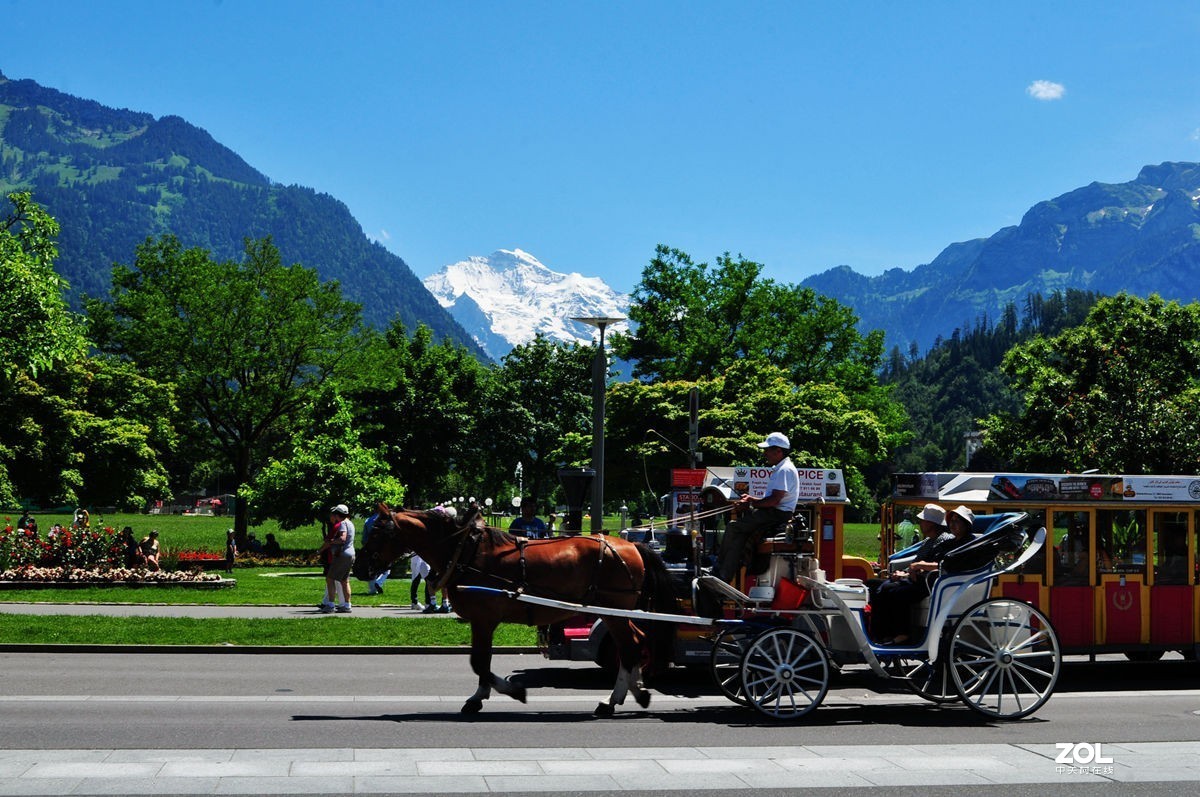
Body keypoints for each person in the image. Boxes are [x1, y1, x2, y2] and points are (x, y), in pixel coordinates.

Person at [870, 504, 975, 645]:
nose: (953, 524)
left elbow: (944, 565)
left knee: (892, 590)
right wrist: (907, 571)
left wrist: (916, 568)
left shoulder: (963, 544)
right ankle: (880, 635)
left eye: (957, 521)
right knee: (877, 586)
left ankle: (898, 634)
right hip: (924, 578)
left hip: (936, 583)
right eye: (952, 521)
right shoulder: (948, 542)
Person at [715, 432, 800, 583]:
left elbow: (774, 500)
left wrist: (750, 503)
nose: (765, 453)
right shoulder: (782, 468)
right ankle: (725, 573)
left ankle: (719, 570)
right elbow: (772, 499)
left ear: (779, 451)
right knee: (739, 533)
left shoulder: (784, 470)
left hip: (777, 514)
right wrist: (751, 499)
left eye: (767, 449)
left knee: (734, 527)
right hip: (774, 512)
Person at [317, 504, 356, 613]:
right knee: (344, 580)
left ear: (338, 514)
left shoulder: (342, 523)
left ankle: (330, 605)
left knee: (330, 579)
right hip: (351, 553)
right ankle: (347, 605)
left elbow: (342, 538)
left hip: (341, 554)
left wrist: (332, 541)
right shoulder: (350, 523)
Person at [362, 510, 390, 595]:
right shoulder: (384, 521)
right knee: (387, 568)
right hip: (382, 548)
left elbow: (364, 538)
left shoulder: (368, 520)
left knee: (372, 568)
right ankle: (379, 582)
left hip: (370, 548)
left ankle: (372, 589)